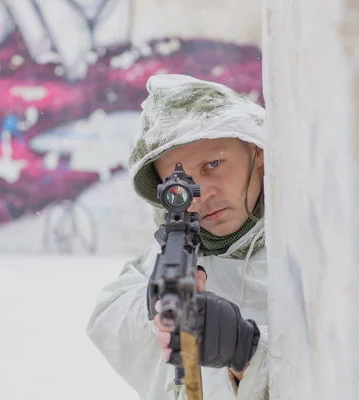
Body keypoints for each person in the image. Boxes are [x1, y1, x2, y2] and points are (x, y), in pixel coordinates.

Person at [86, 74, 269, 400]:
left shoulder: (313, 244)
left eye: (214, 163)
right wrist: (154, 311)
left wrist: (250, 350)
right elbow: (109, 313)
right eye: (178, 183)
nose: (201, 195)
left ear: (258, 153)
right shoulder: (177, 250)